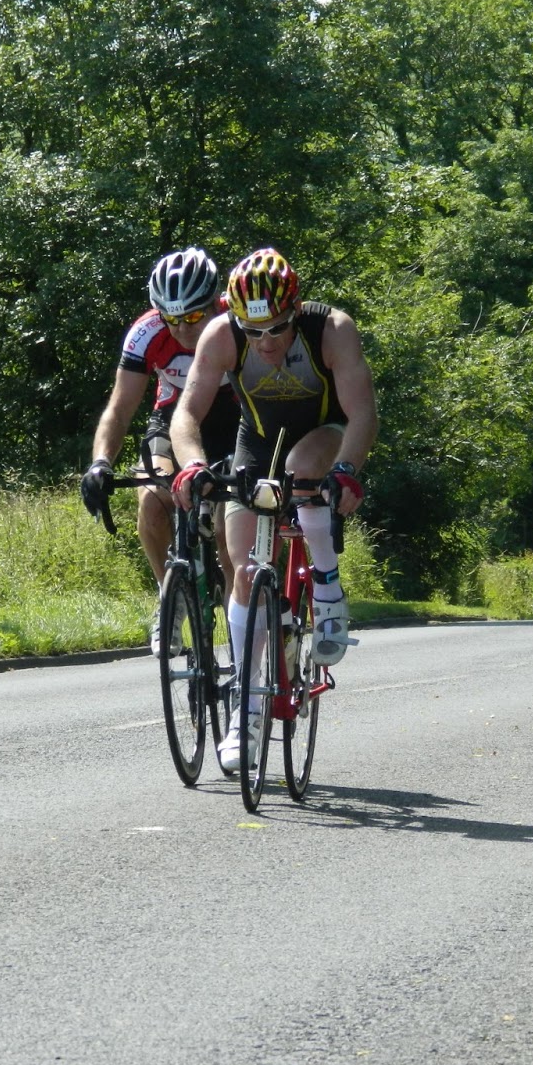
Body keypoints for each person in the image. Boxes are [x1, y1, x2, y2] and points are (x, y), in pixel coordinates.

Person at [169, 248, 378, 772]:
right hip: (257, 441)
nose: (265, 342)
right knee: (243, 569)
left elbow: (362, 412)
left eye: (277, 330)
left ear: (295, 310)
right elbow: (186, 414)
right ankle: (246, 710)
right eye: (253, 332)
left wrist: (348, 468)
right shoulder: (221, 336)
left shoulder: (331, 329)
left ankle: (327, 587)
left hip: (323, 432)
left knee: (305, 467)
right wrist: (192, 466)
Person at [80, 248, 239, 655]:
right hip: (173, 420)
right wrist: (100, 462)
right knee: (151, 499)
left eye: (192, 316)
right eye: (172, 318)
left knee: (226, 533)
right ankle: (172, 598)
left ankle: (243, 618)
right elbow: (119, 408)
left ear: (214, 302)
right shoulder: (147, 332)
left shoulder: (235, 323)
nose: (183, 328)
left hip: (234, 422)